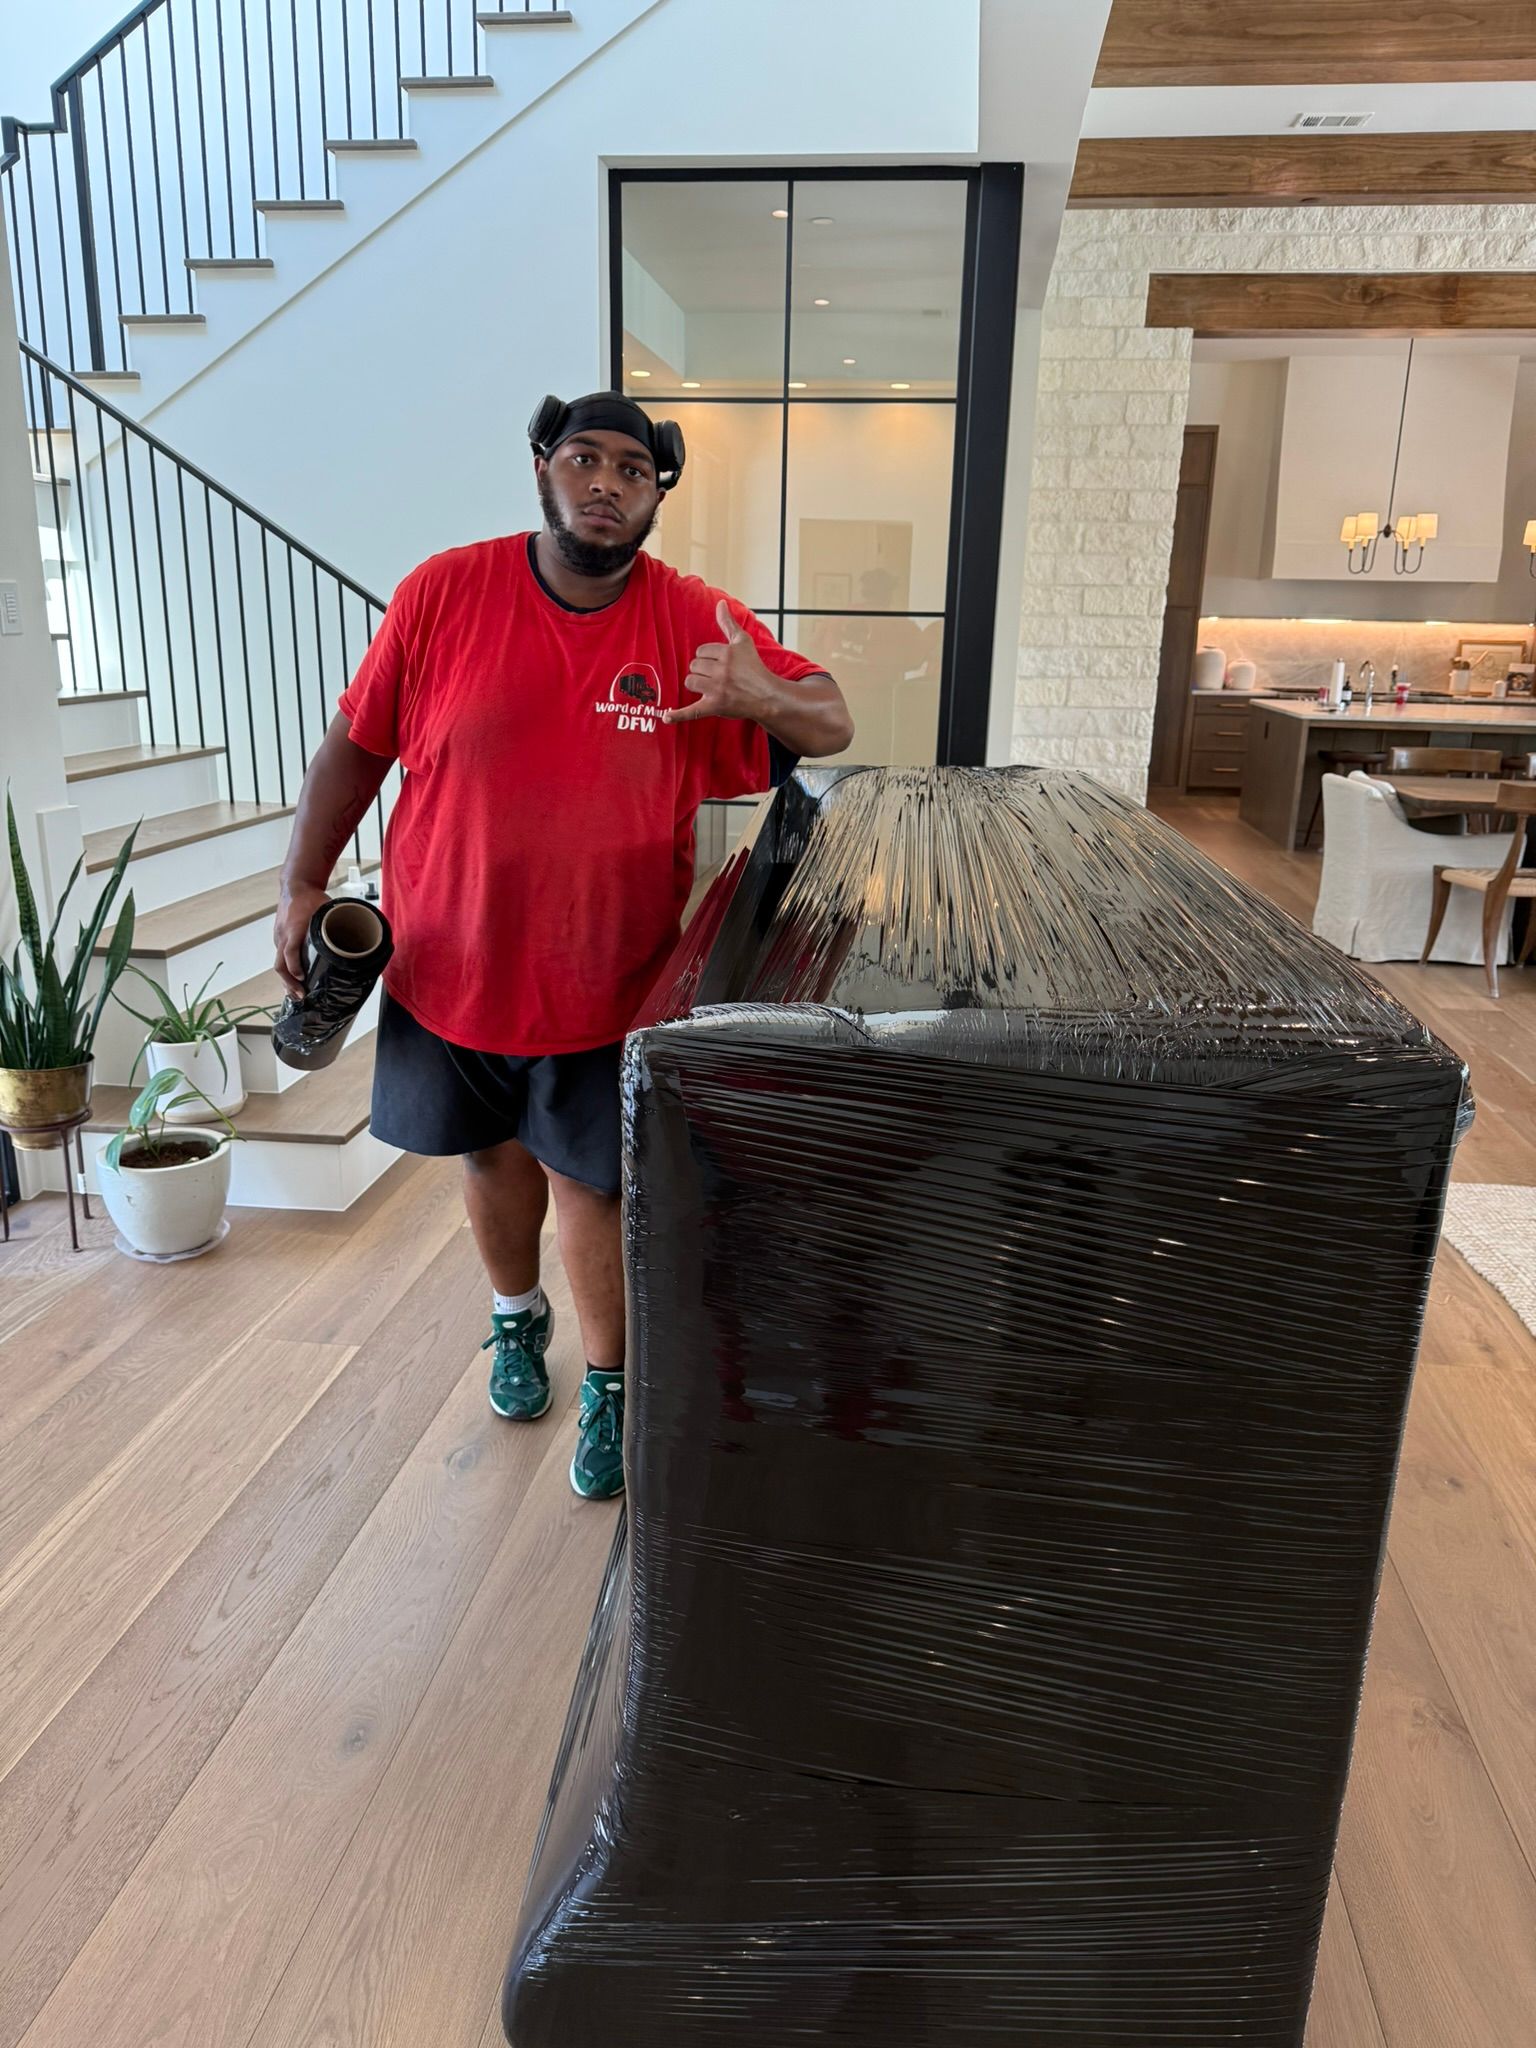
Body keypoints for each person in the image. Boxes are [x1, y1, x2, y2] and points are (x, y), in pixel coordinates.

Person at [271, 392, 854, 1502]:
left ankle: (610, 1384)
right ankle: (512, 1322)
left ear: (656, 497)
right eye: (585, 458)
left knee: (595, 1188)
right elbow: (355, 746)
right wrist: (303, 880)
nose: (606, 483)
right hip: (450, 966)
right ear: (542, 465)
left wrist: (759, 691)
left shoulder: (691, 618)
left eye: (633, 470)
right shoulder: (445, 591)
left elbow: (831, 722)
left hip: (608, 985)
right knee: (489, 1160)